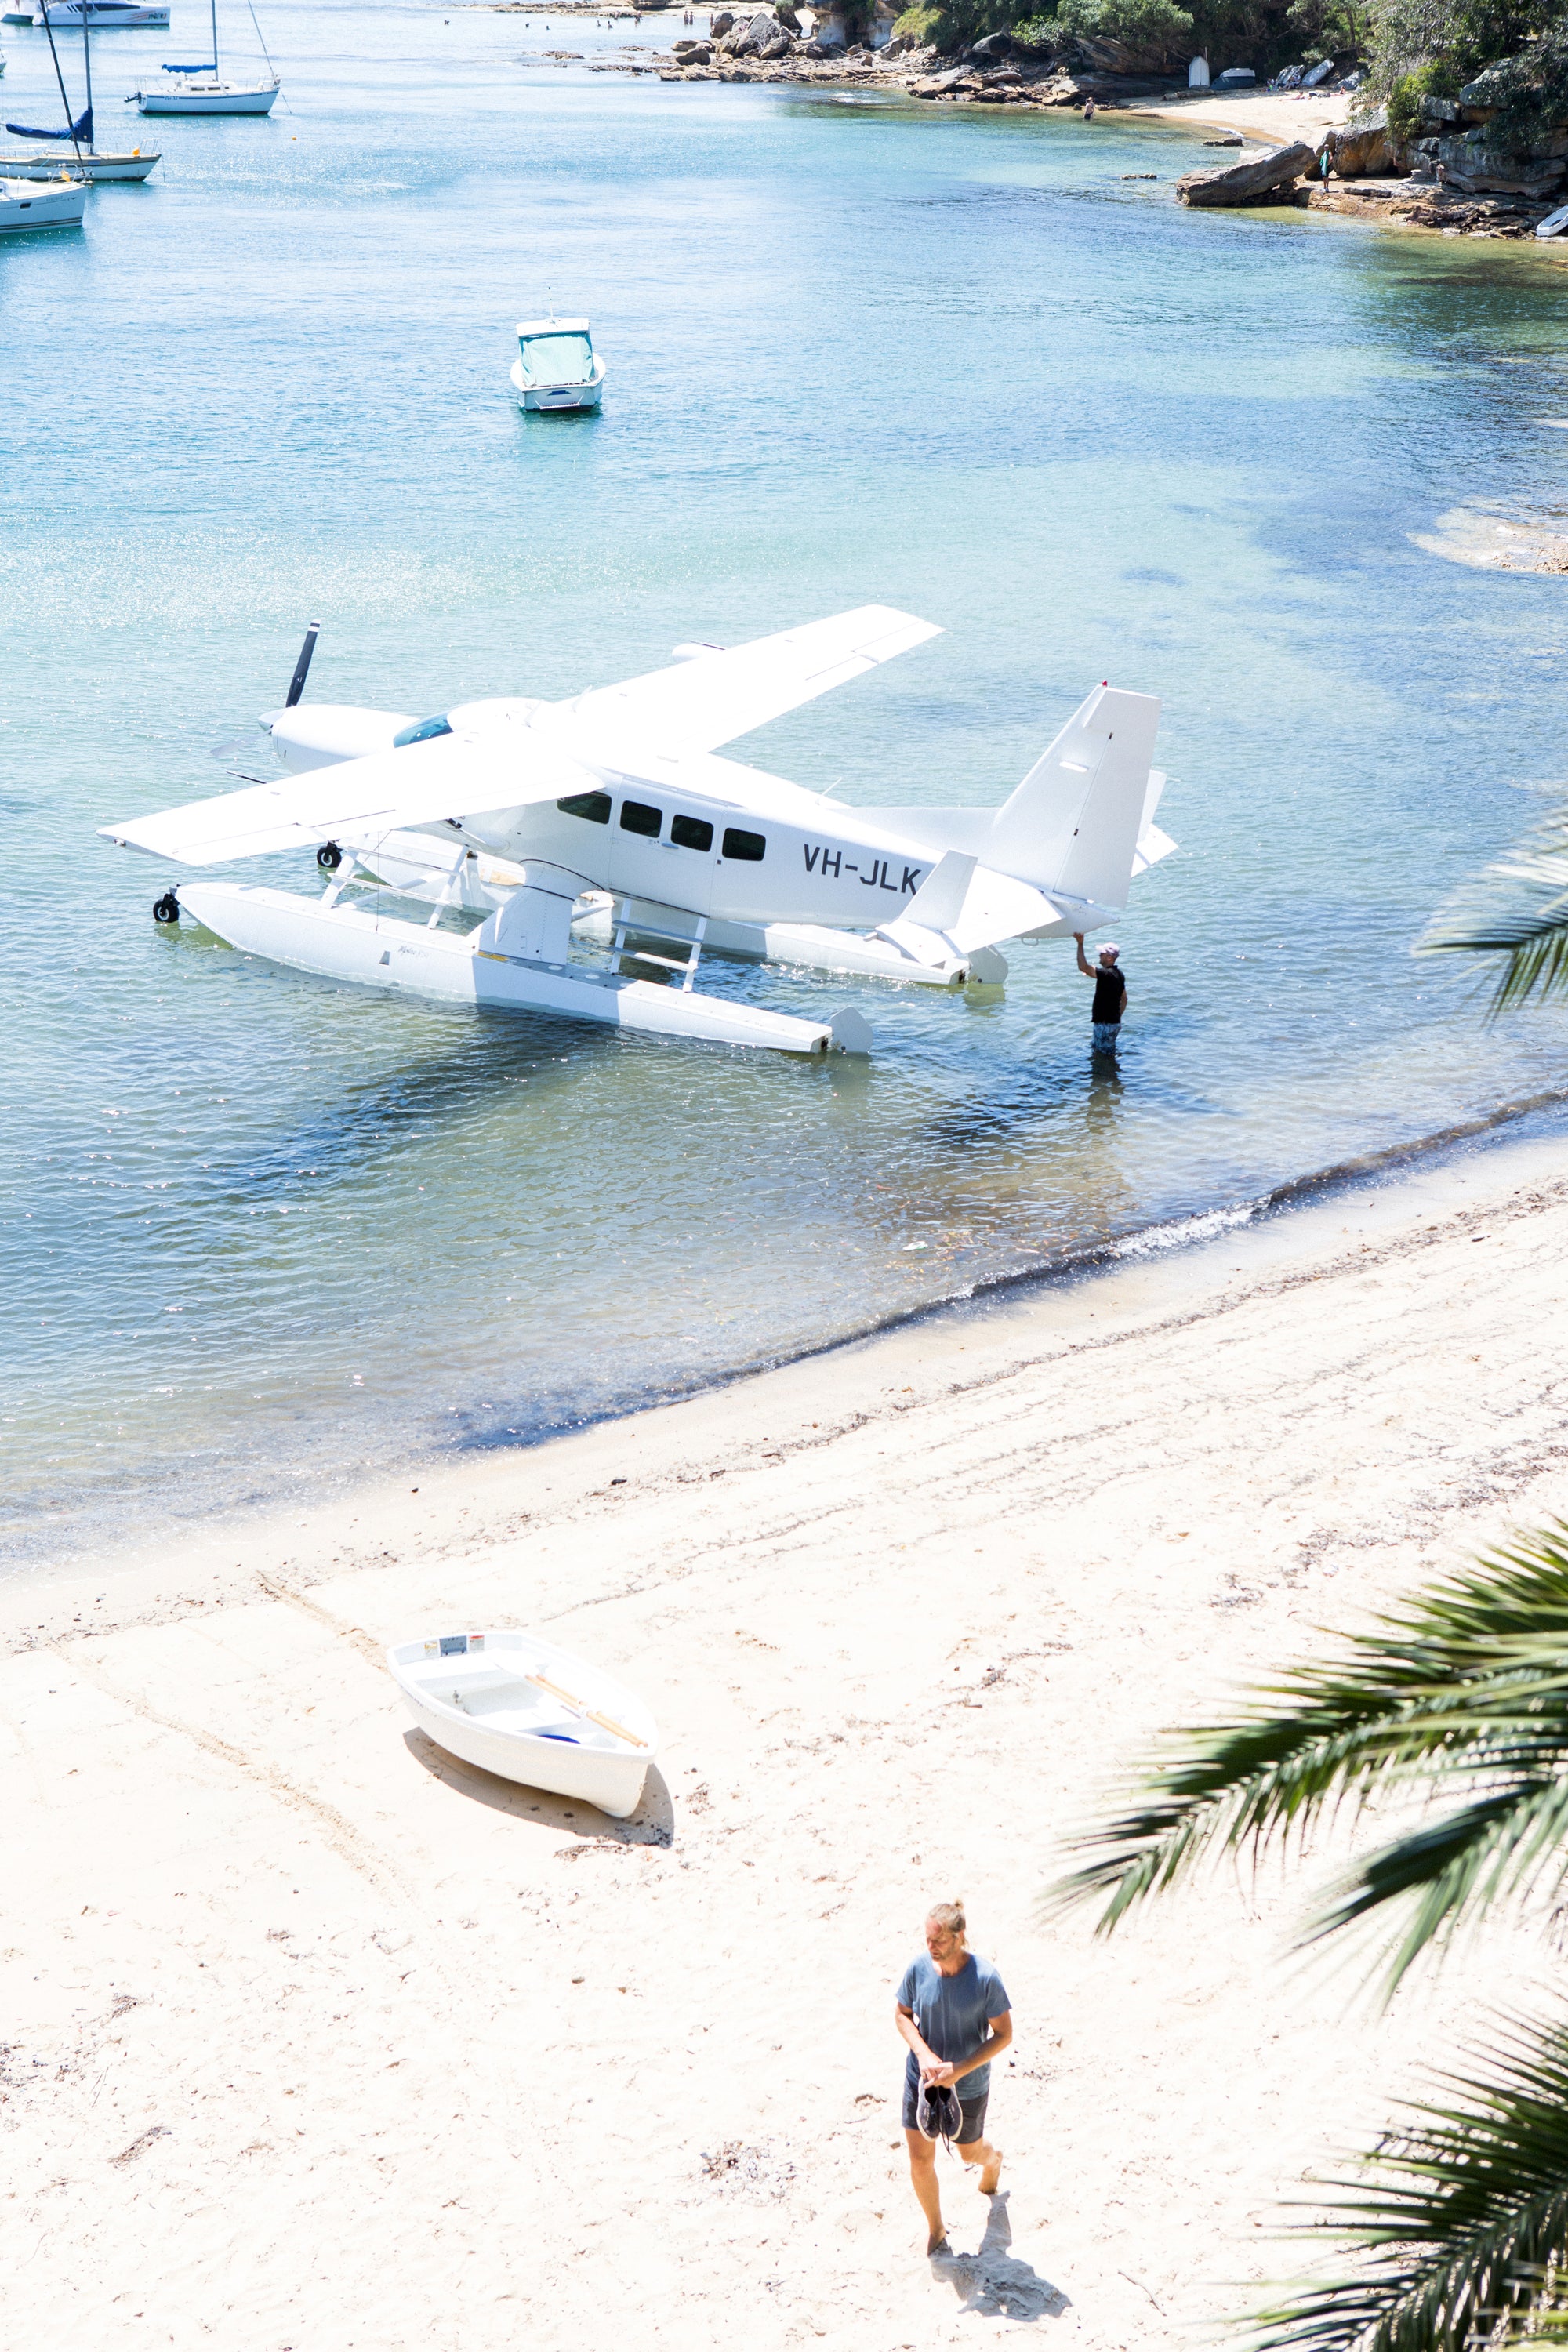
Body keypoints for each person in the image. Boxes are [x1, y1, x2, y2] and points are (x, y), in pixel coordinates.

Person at [895, 1900, 1011, 2256]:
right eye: (928, 1939)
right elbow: (902, 2015)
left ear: (959, 1937)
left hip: (968, 2085)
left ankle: (993, 2161)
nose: (931, 1948)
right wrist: (924, 2054)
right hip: (924, 2081)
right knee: (919, 2160)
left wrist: (958, 2070)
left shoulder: (985, 1978)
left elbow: (1004, 2035)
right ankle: (936, 2228)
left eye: (939, 1941)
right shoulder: (919, 1968)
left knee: (968, 2153)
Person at [1075, 933, 1126, 1054]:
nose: (1099, 955)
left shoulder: (1106, 974)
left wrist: (1080, 943)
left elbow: (1083, 967)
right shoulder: (1119, 974)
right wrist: (1117, 1017)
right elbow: (1125, 998)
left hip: (1105, 1024)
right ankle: (1111, 1072)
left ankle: (1105, 1073)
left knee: (1101, 1055)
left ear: (1109, 958)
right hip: (1114, 1023)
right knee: (1107, 1052)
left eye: (1102, 954)